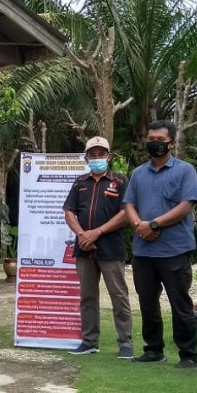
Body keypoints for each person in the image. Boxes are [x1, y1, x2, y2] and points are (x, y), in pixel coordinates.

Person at [123, 120, 197, 368]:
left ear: (172, 143)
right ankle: (153, 349)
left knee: (180, 303)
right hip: (143, 250)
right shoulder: (138, 173)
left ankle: (188, 354)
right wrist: (140, 227)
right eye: (151, 138)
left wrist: (154, 225)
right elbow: (129, 205)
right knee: (147, 301)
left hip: (174, 249)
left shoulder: (185, 170)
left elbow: (186, 205)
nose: (154, 143)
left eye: (160, 139)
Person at [63, 136, 133, 358]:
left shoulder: (120, 181)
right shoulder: (79, 182)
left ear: (109, 156)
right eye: (92, 155)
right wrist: (83, 234)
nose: (96, 158)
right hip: (84, 248)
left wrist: (98, 232)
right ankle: (89, 341)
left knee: (119, 295)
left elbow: (126, 213)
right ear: (86, 158)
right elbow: (68, 211)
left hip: (111, 248)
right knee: (87, 296)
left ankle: (125, 344)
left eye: (100, 154)